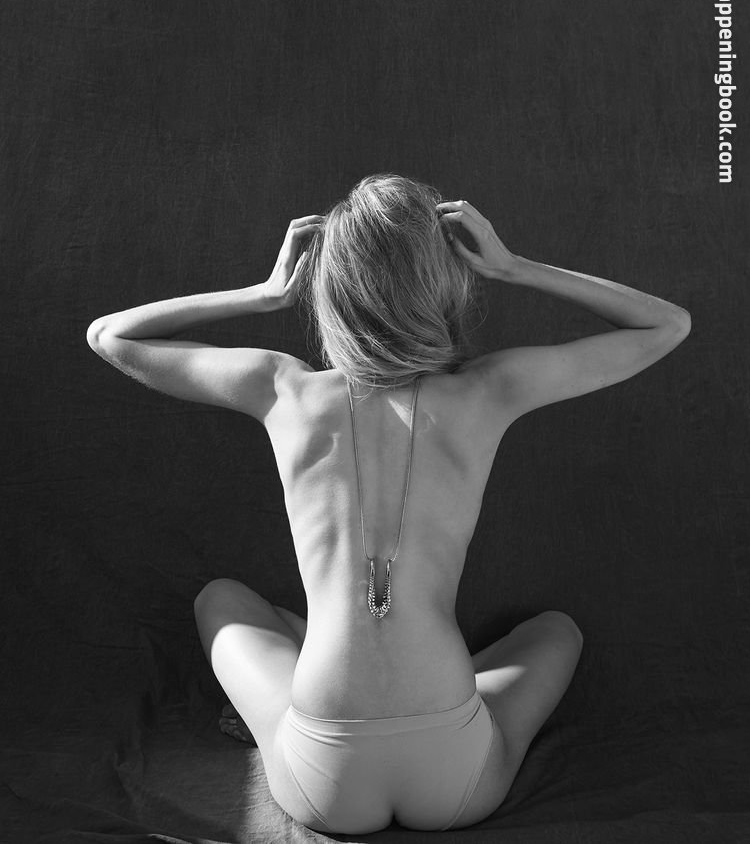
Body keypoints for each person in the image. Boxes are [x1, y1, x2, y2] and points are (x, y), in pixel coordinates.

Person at [86, 173, 691, 834]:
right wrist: (514, 266)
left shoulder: (283, 389)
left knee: (221, 600)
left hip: (324, 775)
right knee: (556, 633)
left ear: (330, 289)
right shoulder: (488, 391)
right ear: (444, 284)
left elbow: (110, 336)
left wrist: (263, 293)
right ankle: (449, 689)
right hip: (454, 767)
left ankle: (299, 682)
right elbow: (667, 324)